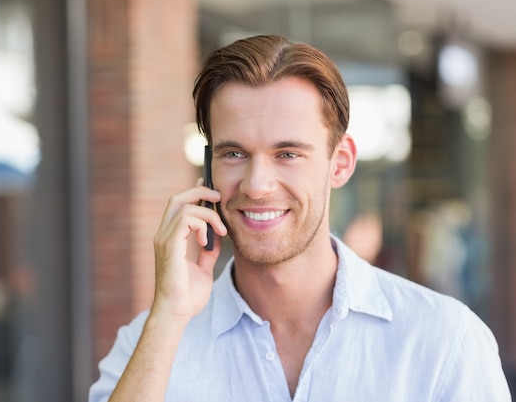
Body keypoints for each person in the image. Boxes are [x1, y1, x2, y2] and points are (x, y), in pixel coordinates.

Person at [88, 35, 511, 401]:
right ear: (208, 165)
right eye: (233, 153)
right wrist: (168, 317)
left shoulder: (444, 341)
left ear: (340, 163)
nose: (256, 185)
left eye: (287, 154)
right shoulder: (149, 343)